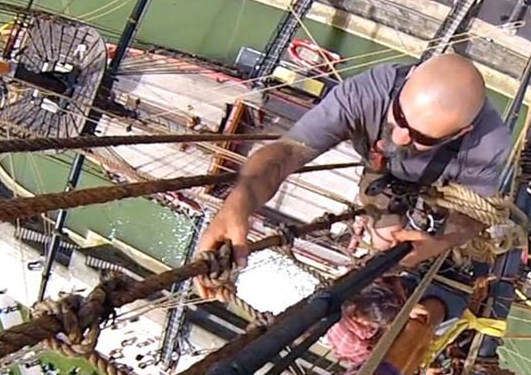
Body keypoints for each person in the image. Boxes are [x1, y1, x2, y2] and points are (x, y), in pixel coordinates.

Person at [194, 54, 513, 298]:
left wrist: (440, 242)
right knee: (385, 242)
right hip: (381, 171)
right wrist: (240, 201)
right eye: (399, 117)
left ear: (463, 132)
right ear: (409, 79)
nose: (401, 138)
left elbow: (472, 215)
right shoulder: (365, 94)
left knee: (420, 249)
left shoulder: (488, 143)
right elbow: (288, 151)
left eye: (423, 138)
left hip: (440, 186)